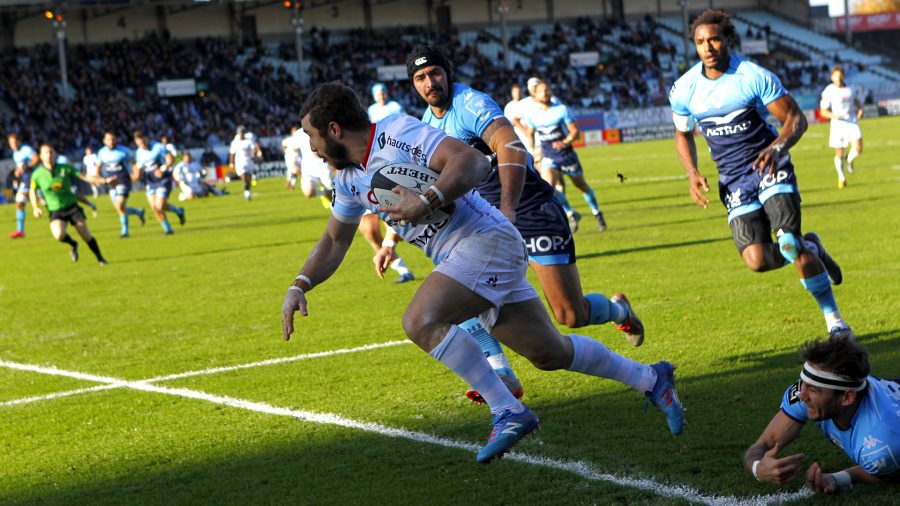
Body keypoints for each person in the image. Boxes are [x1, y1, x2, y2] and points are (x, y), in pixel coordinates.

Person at [281, 82, 685, 464]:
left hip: (484, 239)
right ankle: (651, 378)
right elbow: (335, 240)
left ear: (334, 129)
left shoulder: (396, 132)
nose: (312, 147)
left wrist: (426, 200)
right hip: (467, 255)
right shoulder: (348, 178)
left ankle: (508, 410)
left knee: (421, 321)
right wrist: (300, 284)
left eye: (312, 136)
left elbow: (471, 161)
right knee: (548, 353)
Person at [405, 46, 645, 404]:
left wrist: (508, 207)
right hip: (484, 226)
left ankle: (619, 311)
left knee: (569, 314)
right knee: (455, 292)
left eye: (435, 73)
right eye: (420, 78)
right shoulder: (426, 126)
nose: (430, 82)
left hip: (529, 210)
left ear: (448, 72)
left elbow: (512, 148)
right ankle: (500, 370)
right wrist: (390, 245)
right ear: (413, 84)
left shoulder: (470, 104)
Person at [669, 9, 851, 338]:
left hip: (770, 165)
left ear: (727, 39)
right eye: (700, 42)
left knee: (789, 243)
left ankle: (835, 322)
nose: (707, 47)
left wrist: (779, 147)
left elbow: (796, 118)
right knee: (757, 260)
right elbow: (682, 133)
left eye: (713, 39)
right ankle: (813, 246)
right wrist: (691, 172)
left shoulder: (752, 76)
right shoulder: (684, 89)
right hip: (734, 179)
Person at [743, 335, 899, 494]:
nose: (802, 395)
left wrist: (838, 478)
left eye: (813, 389)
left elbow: (885, 473)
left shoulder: (884, 439)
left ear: (846, 397)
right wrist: (757, 468)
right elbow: (764, 443)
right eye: (803, 383)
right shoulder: (807, 393)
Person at [524, 80, 607, 232]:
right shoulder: (532, 116)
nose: (546, 93)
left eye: (548, 90)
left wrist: (565, 142)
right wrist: (533, 151)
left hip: (566, 155)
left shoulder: (562, 110)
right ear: (535, 96)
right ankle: (571, 213)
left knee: (581, 186)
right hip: (549, 157)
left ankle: (597, 213)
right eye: (542, 91)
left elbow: (575, 132)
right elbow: (530, 134)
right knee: (548, 188)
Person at [363, 82, 416, 283]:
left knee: (396, 220)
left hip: (393, 166)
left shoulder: (395, 108)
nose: (381, 96)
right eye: (378, 93)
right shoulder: (371, 111)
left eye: (384, 92)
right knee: (369, 230)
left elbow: (403, 130)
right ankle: (402, 269)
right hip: (370, 169)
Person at [29, 144, 107, 265]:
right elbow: (32, 191)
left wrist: (103, 180)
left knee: (85, 235)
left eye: (51, 152)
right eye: (46, 153)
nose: (49, 155)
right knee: (59, 235)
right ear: (41, 156)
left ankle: (101, 259)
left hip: (72, 207)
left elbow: (84, 176)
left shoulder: (65, 168)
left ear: (55, 154)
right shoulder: (37, 174)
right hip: (55, 210)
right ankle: (73, 244)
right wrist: (35, 208)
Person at [819, 66, 864, 189]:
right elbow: (823, 111)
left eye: (840, 77)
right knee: (839, 154)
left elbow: (856, 101)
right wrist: (834, 115)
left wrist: (860, 109)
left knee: (859, 147)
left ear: (843, 76)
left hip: (851, 121)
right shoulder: (829, 91)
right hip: (838, 125)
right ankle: (841, 177)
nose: (838, 80)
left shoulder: (851, 88)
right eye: (836, 77)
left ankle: (850, 160)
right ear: (832, 78)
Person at [133, 131, 185, 235]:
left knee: (159, 206)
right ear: (136, 143)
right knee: (154, 207)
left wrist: (162, 168)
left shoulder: (158, 147)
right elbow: (138, 168)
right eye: (140, 143)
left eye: (143, 142)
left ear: (147, 139)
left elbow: (170, 159)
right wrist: (135, 175)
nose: (142, 145)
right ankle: (169, 228)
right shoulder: (138, 153)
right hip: (150, 182)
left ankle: (176, 215)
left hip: (163, 180)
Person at [97, 131, 145, 238]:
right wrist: (100, 178)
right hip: (111, 183)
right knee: (120, 208)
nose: (112, 141)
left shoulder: (124, 151)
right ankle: (138, 212)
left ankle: (125, 232)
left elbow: (133, 162)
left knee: (120, 204)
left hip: (123, 181)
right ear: (104, 141)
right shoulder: (101, 153)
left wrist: (135, 174)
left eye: (113, 139)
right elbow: (98, 167)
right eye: (109, 139)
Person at [7, 133, 39, 239]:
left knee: (47, 201)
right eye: (12, 143)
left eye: (16, 142)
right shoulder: (15, 154)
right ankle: (20, 231)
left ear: (19, 141)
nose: (14, 144)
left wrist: (27, 165)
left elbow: (36, 158)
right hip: (26, 180)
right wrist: (17, 172)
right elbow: (21, 167)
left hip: (35, 179)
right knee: (19, 201)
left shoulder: (26, 149)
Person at [229, 126, 261, 201]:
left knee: (248, 178)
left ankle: (247, 192)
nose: (241, 134)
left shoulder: (248, 141)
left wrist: (254, 155)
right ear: (238, 133)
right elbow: (232, 154)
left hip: (249, 161)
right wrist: (231, 164)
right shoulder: (235, 142)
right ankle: (246, 189)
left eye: (243, 132)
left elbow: (254, 148)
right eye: (240, 132)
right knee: (244, 176)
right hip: (239, 162)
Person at [502, 83, 530, 147]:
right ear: (512, 93)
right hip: (516, 134)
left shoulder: (527, 103)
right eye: (515, 92)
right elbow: (507, 122)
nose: (517, 93)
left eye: (519, 91)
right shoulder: (509, 106)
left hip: (529, 132)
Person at [282, 124, 303, 191]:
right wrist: (286, 150)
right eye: (294, 131)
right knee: (294, 170)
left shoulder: (300, 139)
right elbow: (283, 145)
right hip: (290, 157)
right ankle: (289, 182)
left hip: (298, 157)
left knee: (294, 172)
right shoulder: (289, 139)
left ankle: (291, 183)